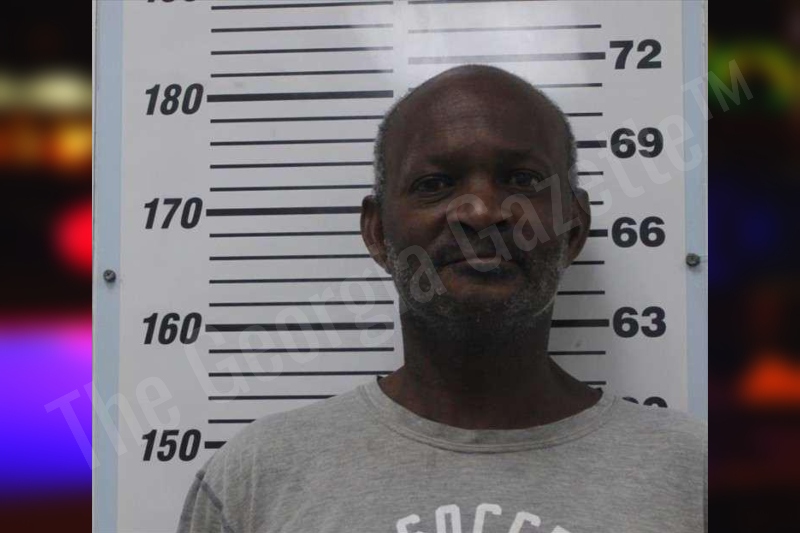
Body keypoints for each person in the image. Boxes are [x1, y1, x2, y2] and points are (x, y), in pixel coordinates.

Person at [177, 64, 707, 533]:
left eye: (522, 179)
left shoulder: (698, 475)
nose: (482, 211)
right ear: (377, 233)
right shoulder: (256, 480)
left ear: (573, 229)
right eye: (435, 183)